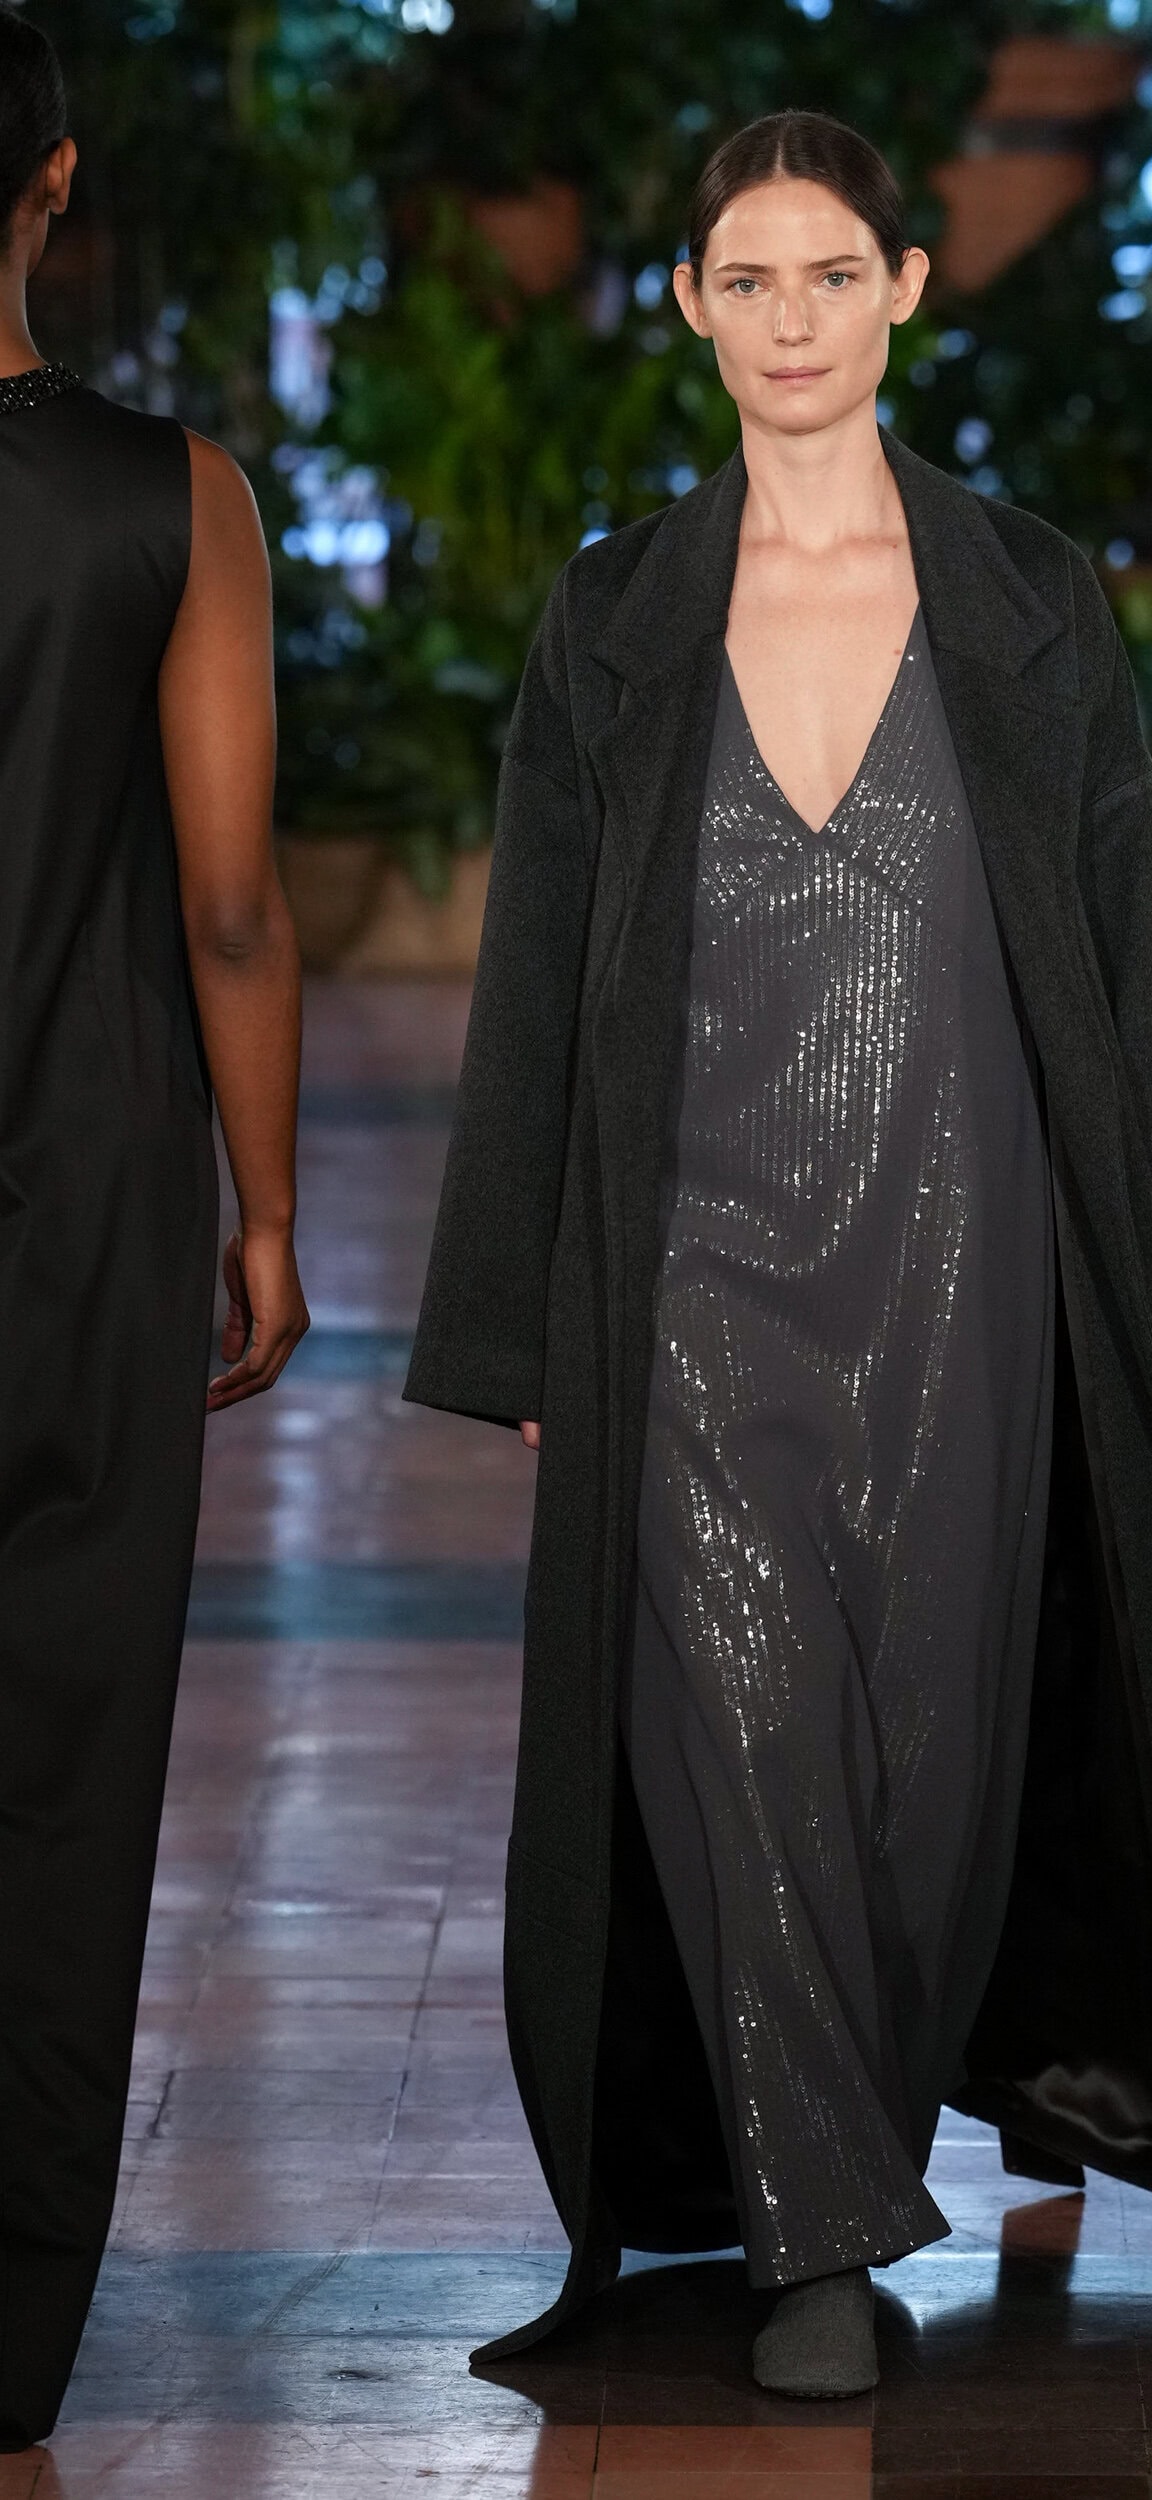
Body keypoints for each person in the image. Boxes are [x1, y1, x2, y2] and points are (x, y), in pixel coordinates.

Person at [407, 108, 1152, 2399]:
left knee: (937, 1766)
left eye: (828, 274)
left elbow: (1118, 979)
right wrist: (517, 1324)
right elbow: (539, 973)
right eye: (744, 279)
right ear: (690, 305)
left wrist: (1143, 1319)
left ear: (904, 288)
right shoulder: (615, 612)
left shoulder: (1027, 595)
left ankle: (871, 2126)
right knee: (741, 1735)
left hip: (974, 1261)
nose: (788, 320)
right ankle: (823, 2224)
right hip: (686, 1283)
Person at [0, 13, 308, 2450]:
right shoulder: (174, 495)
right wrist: (271, 1205)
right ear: (56, 181)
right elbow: (228, 903)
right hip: (91, 1196)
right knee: (68, 1764)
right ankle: (3, 2330)